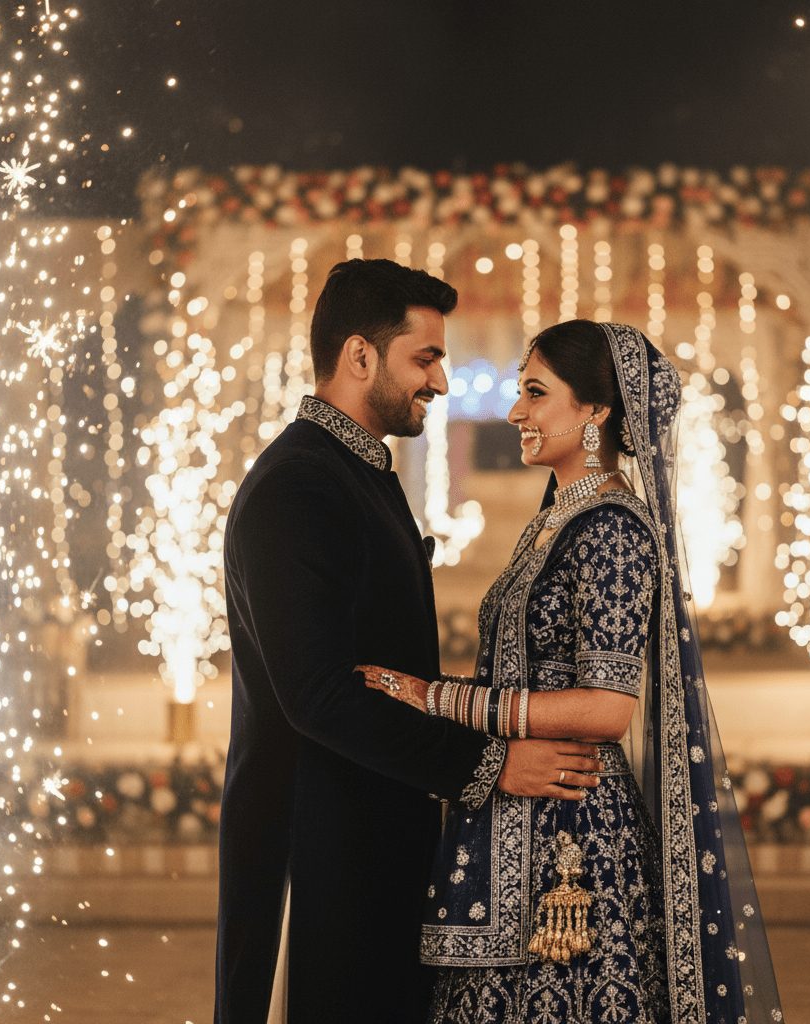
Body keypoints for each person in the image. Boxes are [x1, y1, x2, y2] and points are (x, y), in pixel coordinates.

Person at [361, 319, 786, 1023]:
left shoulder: (614, 527)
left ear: (596, 410)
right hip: (517, 812)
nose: (514, 412)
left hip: (573, 838)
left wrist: (439, 700)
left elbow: (606, 708)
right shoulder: (556, 518)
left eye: (534, 392)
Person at [214, 260, 602, 1024]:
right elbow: (318, 695)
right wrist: (491, 766)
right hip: (317, 856)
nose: (442, 381)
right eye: (424, 358)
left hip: (371, 845)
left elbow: (389, 671)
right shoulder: (298, 486)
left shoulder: (358, 475)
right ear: (361, 356)